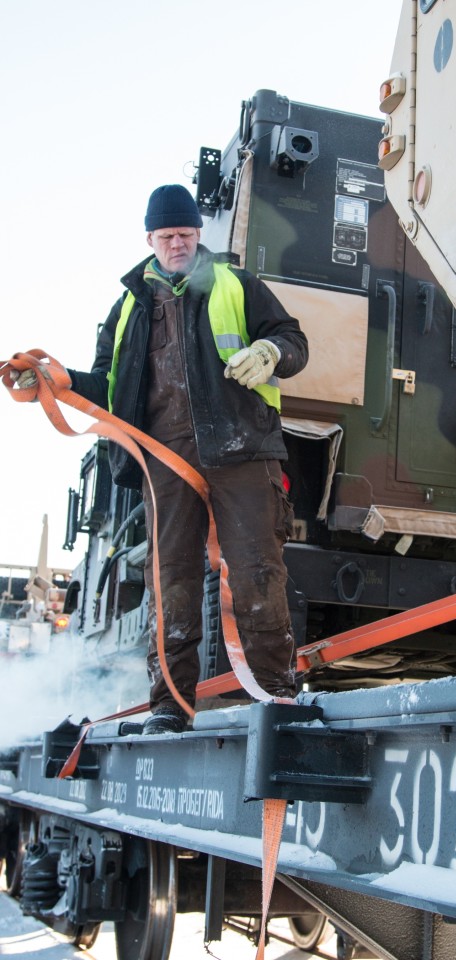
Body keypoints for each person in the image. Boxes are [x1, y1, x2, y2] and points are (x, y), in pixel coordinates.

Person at [15, 184, 308, 734]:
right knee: (169, 584)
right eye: (167, 235)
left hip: (241, 451)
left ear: (199, 234)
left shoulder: (235, 284)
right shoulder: (127, 307)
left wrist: (271, 352)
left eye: (186, 234)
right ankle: (170, 706)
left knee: (258, 575)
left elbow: (292, 339)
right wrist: (58, 381)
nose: (177, 244)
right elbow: (107, 385)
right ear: (150, 238)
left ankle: (276, 700)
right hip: (165, 462)